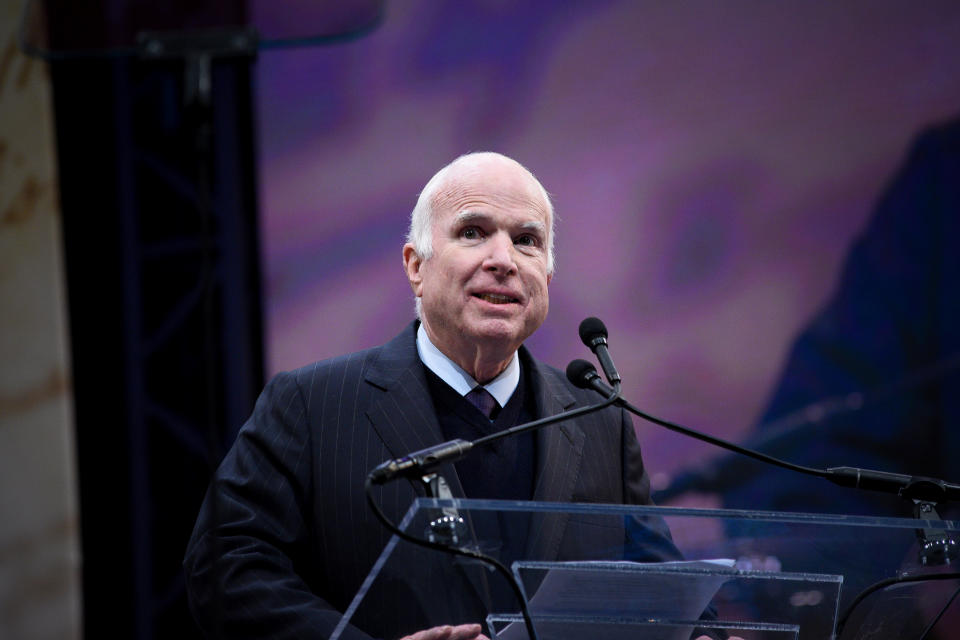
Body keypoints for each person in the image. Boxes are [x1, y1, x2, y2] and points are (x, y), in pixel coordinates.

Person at [184, 152, 709, 640]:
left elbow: (659, 581)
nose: (503, 259)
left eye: (527, 240)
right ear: (416, 265)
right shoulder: (309, 403)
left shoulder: (600, 420)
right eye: (473, 232)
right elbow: (226, 568)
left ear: (546, 276)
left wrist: (702, 632)